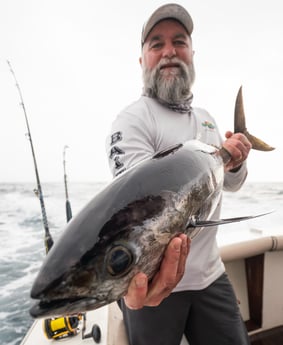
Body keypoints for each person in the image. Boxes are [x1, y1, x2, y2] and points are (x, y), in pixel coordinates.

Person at [106, 3, 252, 345]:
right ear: (142, 60)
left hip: (210, 275)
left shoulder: (206, 118)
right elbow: (141, 210)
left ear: (191, 54)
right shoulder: (133, 120)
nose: (169, 51)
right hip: (153, 284)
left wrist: (238, 160)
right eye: (156, 44)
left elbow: (230, 184)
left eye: (179, 41)